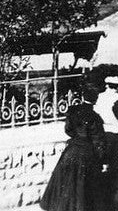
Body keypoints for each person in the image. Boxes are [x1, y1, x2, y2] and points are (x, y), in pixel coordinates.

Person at [40, 83, 105, 211]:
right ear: (96, 99)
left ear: (82, 96)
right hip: (87, 154)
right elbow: (98, 140)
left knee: (67, 184)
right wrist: (101, 159)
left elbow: (68, 130)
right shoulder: (95, 118)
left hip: (71, 151)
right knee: (82, 190)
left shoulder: (73, 111)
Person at [92, 64, 118, 196]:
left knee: (102, 167)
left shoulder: (99, 97)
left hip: (101, 135)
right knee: (115, 169)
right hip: (115, 137)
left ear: (107, 85)